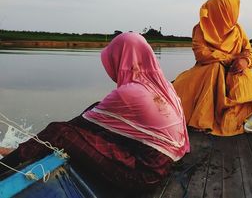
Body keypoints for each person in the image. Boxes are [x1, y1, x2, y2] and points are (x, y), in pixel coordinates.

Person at [0, 32, 190, 190]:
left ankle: (7, 162)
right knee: (94, 115)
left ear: (122, 59)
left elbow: (77, 126)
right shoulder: (162, 86)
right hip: (161, 164)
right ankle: (29, 149)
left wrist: (52, 137)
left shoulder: (130, 93)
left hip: (142, 174)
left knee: (60, 132)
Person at [173, 0, 252, 136]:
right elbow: (201, 54)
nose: (235, 16)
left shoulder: (238, 30)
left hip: (234, 72)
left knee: (249, 89)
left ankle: (222, 115)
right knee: (215, 68)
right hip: (206, 71)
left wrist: (244, 61)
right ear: (222, 12)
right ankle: (202, 119)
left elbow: (249, 52)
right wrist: (231, 59)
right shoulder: (200, 28)